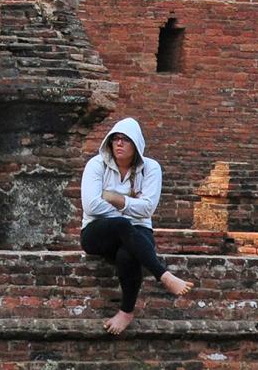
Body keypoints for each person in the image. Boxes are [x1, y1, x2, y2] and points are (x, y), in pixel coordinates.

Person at [80, 116, 194, 334]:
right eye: (116, 139)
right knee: (123, 224)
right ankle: (164, 276)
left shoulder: (151, 168)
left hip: (137, 231)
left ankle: (126, 312)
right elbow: (91, 205)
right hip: (98, 231)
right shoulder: (96, 165)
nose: (119, 144)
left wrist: (115, 198)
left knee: (127, 255)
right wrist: (131, 205)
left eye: (126, 140)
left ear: (136, 145)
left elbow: (148, 209)